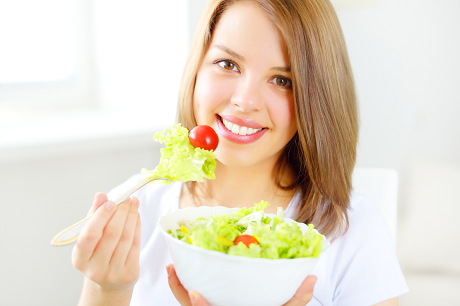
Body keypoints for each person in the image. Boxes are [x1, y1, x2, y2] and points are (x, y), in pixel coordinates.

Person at [71, 0, 408, 305]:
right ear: (197, 68)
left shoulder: (353, 232)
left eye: (282, 81)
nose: (245, 101)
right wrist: (108, 291)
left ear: (316, 99)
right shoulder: (136, 209)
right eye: (228, 64)